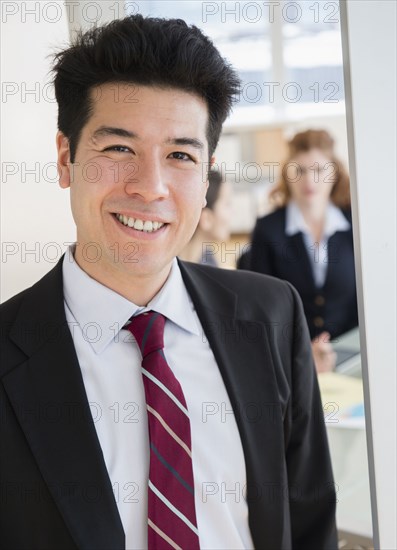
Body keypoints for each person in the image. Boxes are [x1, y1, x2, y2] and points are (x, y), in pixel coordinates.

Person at [0, 16, 337, 550]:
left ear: (206, 177)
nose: (150, 187)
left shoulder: (271, 315)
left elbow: (310, 519)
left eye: (180, 155)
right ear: (66, 158)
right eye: (118, 149)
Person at [246, 129, 358, 373]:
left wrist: (336, 350)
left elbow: (363, 301)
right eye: (300, 171)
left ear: (334, 173)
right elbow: (262, 306)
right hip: (289, 360)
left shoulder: (355, 224)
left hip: (352, 356)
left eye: (318, 170)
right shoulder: (268, 229)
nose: (309, 181)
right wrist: (302, 352)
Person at [179, 170, 232, 266]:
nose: (232, 214)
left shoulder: (209, 260)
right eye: (227, 204)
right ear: (206, 218)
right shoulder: (167, 269)